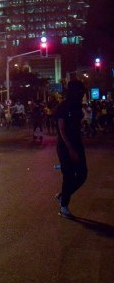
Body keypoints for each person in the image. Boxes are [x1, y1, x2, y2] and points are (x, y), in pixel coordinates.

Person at [55, 79, 87, 219]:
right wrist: (70, 149)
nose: (81, 93)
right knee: (68, 176)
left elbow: (79, 122)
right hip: (65, 146)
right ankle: (64, 207)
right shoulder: (63, 107)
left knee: (82, 174)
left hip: (77, 144)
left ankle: (63, 195)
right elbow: (62, 130)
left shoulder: (77, 106)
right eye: (79, 91)